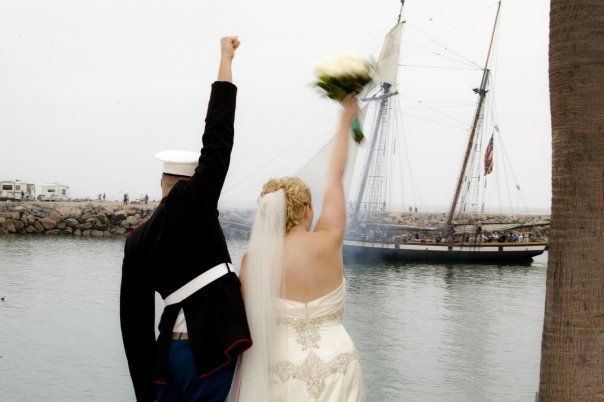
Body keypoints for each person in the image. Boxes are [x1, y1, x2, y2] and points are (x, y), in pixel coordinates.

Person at [120, 37, 251, 402]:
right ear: (193, 179)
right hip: (209, 350)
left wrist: (144, 390)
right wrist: (225, 60)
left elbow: (134, 324)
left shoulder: (136, 240)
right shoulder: (197, 199)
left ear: (162, 182)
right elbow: (219, 134)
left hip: (167, 358)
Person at [231, 95, 365, 401]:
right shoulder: (329, 238)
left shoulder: (255, 262)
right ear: (306, 209)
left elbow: (249, 324)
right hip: (339, 363)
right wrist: (345, 118)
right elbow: (335, 176)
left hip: (282, 366)